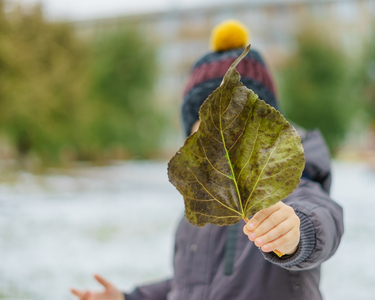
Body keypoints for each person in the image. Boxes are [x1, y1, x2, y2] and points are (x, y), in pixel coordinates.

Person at [71, 19, 344, 300]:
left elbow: (324, 215)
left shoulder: (285, 188)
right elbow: (188, 285)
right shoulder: (197, 214)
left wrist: (296, 233)